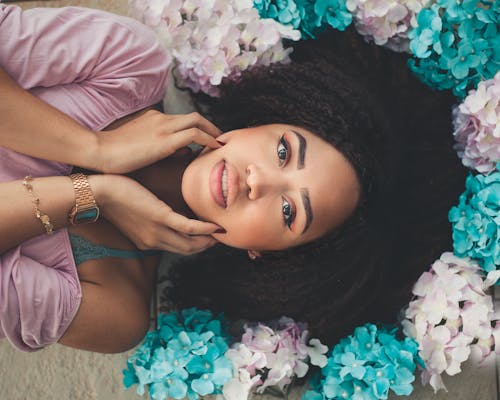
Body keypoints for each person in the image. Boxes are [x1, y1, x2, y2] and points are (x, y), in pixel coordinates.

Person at [0, 4, 465, 353]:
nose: (258, 182)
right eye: (283, 150)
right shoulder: (128, 64)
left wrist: (92, 193)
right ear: (263, 119)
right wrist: (91, 149)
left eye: (289, 211)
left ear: (264, 255)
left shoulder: (117, 312)